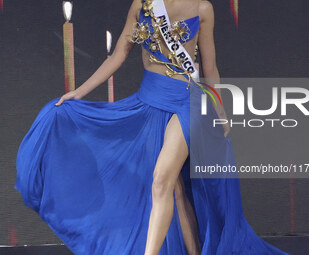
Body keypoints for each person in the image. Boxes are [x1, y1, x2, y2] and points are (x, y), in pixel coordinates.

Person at [14, 0, 290, 254]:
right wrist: (79, 92)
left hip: (187, 102)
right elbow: (117, 56)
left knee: (160, 180)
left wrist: (219, 109)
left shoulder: (202, 8)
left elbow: (210, 68)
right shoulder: (143, 4)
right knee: (176, 189)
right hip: (149, 102)